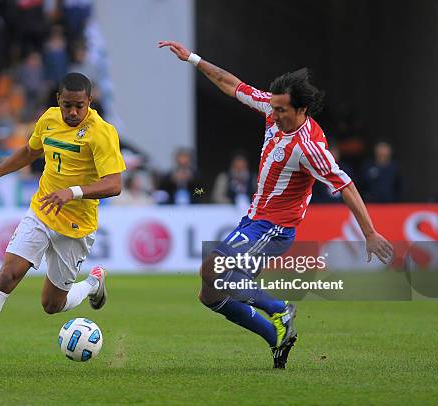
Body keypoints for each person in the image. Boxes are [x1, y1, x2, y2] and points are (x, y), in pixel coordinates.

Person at [159, 40, 393, 369]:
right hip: (254, 220)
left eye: (283, 110)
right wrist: (193, 58)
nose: (275, 113)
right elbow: (231, 84)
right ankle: (276, 337)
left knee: (214, 268)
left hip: (276, 228)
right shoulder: (272, 111)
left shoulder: (309, 147)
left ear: (302, 110)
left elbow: (347, 186)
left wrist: (369, 232)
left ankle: (280, 308)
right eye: (275, 107)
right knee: (210, 294)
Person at [0, 72, 126, 374]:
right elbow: (29, 152)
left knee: (52, 305)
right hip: (41, 211)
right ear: (58, 101)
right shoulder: (49, 119)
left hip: (75, 227)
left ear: (90, 102)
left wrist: (73, 192)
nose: (73, 112)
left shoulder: (102, 133)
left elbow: (115, 184)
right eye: (67, 105)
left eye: (79, 106)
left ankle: (92, 284)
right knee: (7, 276)